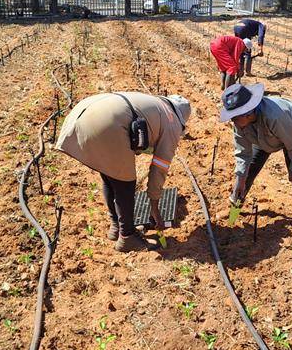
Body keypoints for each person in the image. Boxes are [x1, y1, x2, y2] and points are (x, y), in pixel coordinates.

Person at [55, 92, 192, 252]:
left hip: (83, 111)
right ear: (182, 119)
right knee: (125, 183)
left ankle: (116, 226)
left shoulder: (157, 106)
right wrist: (155, 208)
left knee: (110, 177)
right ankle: (127, 237)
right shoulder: (172, 122)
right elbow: (159, 169)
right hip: (106, 122)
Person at [219, 83, 292, 237]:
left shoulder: (275, 116)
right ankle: (234, 211)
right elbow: (243, 153)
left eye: (234, 116)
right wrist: (240, 178)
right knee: (248, 172)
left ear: (247, 113)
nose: (232, 120)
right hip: (263, 137)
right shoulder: (240, 124)